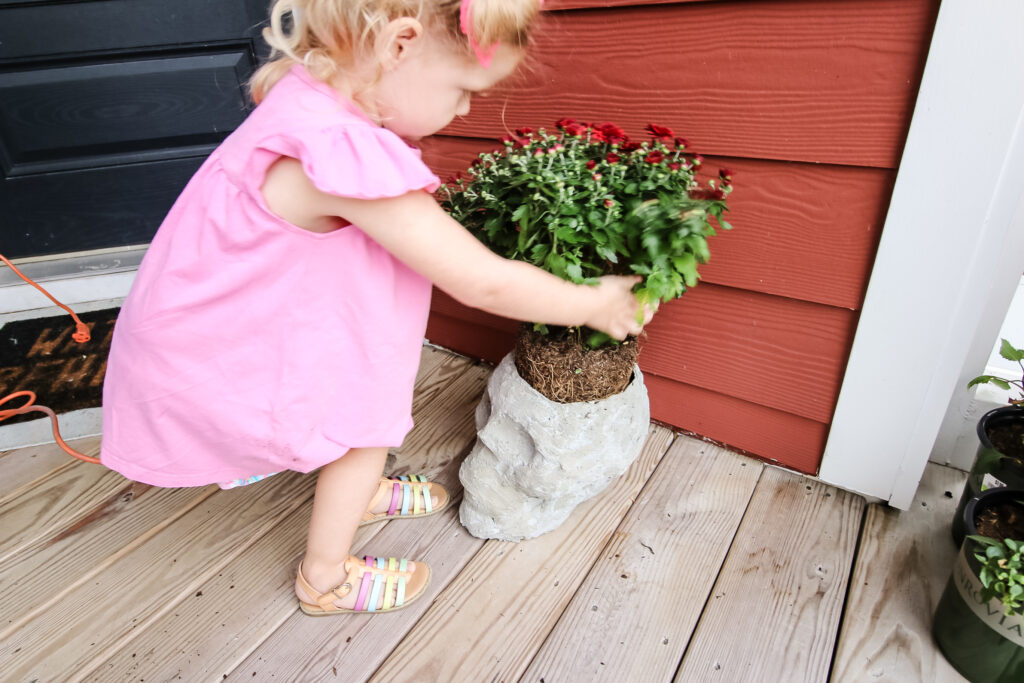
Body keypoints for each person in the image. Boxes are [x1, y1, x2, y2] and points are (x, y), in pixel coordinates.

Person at [100, 0, 654, 616]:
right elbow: (482, 282)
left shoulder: (309, 98)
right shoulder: (339, 154)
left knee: (358, 404)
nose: (465, 109)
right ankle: (325, 578)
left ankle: (355, 497)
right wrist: (591, 302)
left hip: (258, 320)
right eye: (463, 89)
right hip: (242, 352)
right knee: (360, 423)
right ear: (398, 45)